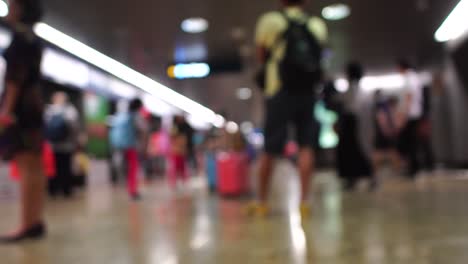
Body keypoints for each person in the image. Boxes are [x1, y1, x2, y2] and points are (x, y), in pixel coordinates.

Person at [247, 0, 328, 217]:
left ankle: (262, 202)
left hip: (279, 90)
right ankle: (304, 203)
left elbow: (262, 56)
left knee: (270, 148)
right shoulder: (317, 25)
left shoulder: (270, 21)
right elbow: (320, 55)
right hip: (308, 92)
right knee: (306, 146)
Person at [0, 0, 45, 243]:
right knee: (35, 166)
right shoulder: (34, 40)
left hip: (21, 110)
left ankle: (26, 225)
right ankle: (35, 220)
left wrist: (6, 110)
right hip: (34, 108)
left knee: (26, 166)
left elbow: (14, 79)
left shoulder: (19, 40)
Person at [336, 62, 375, 191]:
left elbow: (344, 105)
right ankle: (361, 177)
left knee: (352, 151)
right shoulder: (362, 91)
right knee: (359, 150)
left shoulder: (351, 90)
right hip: (357, 124)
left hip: (351, 123)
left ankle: (353, 178)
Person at [45, 92, 80, 198]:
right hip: (67, 145)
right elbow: (75, 128)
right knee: (65, 167)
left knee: (53, 168)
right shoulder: (70, 110)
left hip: (52, 145)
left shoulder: (48, 110)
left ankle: (53, 190)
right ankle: (66, 190)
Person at [110, 98, 144, 200]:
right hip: (131, 146)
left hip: (119, 145)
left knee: (123, 167)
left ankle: (123, 185)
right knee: (133, 168)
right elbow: (143, 128)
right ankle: (132, 190)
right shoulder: (135, 116)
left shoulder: (120, 116)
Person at [396, 60, 424, 178]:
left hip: (410, 115)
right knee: (411, 142)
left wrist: (403, 115)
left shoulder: (409, 77)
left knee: (406, 143)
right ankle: (413, 168)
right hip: (413, 114)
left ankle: (413, 169)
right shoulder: (413, 78)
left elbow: (409, 96)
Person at [373, 91, 401, 177]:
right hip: (384, 135)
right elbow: (383, 123)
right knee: (380, 155)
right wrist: (389, 132)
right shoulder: (384, 109)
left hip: (385, 135)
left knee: (391, 154)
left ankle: (396, 171)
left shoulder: (386, 109)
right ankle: (375, 173)